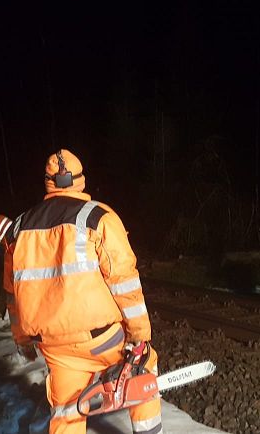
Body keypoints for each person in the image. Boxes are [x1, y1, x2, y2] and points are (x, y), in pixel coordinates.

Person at [11, 149, 162, 434]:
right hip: (101, 339)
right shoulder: (98, 218)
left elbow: (13, 293)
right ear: (81, 180)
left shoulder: (19, 228)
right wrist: (140, 335)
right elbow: (124, 281)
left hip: (53, 345)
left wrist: (22, 339)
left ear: (47, 182)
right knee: (144, 369)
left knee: (67, 411)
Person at [0, 214, 27, 345]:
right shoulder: (1, 219)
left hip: (10, 243)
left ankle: (12, 320)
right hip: (11, 241)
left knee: (11, 282)